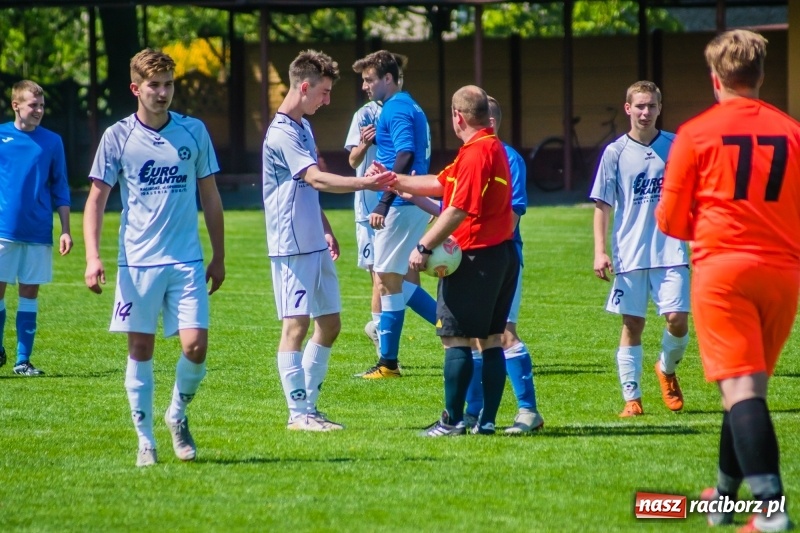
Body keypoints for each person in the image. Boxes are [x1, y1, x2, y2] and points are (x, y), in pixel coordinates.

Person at [656, 30, 798, 532]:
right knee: (745, 386)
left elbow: (670, 221)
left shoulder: (696, 132)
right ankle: (724, 497)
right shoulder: (791, 131)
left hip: (724, 271)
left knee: (741, 390)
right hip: (783, 272)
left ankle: (770, 509)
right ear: (759, 76)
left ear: (716, 79)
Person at [83, 48, 226, 468]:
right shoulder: (117, 137)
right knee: (140, 348)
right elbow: (96, 200)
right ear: (136, 88)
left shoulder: (194, 132)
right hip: (137, 263)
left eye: (168, 85)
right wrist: (93, 257)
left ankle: (176, 415)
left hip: (186, 259)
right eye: (154, 86)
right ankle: (145, 439)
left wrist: (218, 255)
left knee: (196, 346)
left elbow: (211, 197)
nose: (163, 93)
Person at [263, 50, 395, 431]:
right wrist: (364, 183)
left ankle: (309, 409)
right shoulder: (282, 132)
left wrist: (323, 226)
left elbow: (304, 186)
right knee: (296, 327)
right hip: (290, 244)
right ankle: (298, 414)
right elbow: (317, 178)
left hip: (313, 241)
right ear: (304, 87)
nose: (327, 100)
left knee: (331, 323)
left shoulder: (303, 126)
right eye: (323, 92)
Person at [391, 85, 519, 436]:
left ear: (457, 117)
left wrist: (423, 246)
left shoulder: (476, 153)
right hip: (501, 255)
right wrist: (393, 180)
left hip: (477, 258)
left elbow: (458, 209)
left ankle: (452, 421)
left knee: (456, 338)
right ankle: (487, 421)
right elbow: (439, 183)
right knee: (492, 338)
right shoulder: (486, 147)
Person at [590, 80, 690, 418]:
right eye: (640, 106)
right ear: (628, 108)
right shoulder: (615, 153)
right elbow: (602, 205)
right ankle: (632, 398)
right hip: (630, 252)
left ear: (660, 108)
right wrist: (599, 251)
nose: (645, 112)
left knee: (677, 320)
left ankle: (666, 367)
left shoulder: (676, 146)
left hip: (672, 249)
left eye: (651, 106)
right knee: (632, 324)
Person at [351, 50, 437, 379]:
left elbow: (405, 153)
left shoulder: (396, 109)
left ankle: (388, 363)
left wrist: (384, 201)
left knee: (387, 282)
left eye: (369, 79)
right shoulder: (408, 105)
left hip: (400, 206)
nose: (365, 86)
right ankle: (450, 328)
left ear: (389, 78)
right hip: (410, 202)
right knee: (395, 280)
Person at [464, 96, 544, 434]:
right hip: (471, 258)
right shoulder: (469, 156)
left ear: (490, 122)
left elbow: (512, 214)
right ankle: (474, 412)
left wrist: (489, 254)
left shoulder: (509, 159)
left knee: (503, 334)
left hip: (500, 257)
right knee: (469, 338)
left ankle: (528, 411)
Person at [0, 80, 72, 376]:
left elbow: (61, 186)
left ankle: (22, 360)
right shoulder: (1, 136)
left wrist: (65, 229)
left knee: (30, 295)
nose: (39, 110)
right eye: (33, 105)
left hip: (38, 231)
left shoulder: (52, 141)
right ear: (16, 105)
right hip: (3, 230)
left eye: (41, 105)